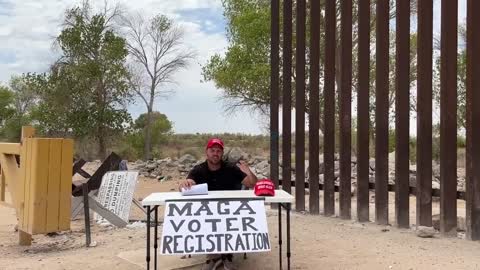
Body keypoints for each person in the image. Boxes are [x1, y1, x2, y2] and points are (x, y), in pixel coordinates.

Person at [178, 138, 258, 270]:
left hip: (230, 211)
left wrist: (248, 171)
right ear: (207, 152)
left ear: (222, 153)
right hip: (207, 212)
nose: (215, 153)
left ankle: (226, 256)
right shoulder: (198, 170)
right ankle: (213, 257)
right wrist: (186, 184)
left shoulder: (231, 168)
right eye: (212, 150)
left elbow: (253, 184)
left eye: (218, 151)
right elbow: (184, 187)